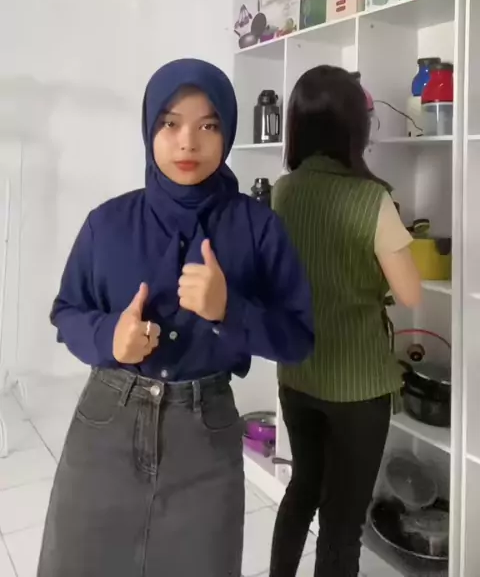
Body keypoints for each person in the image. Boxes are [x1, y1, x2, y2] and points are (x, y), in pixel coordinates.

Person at [37, 58, 314, 577]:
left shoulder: (257, 228)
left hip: (205, 437)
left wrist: (231, 311)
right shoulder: (107, 224)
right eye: (170, 123)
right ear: (150, 129)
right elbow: (66, 311)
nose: (188, 143)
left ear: (227, 132)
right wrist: (109, 338)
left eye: (208, 125)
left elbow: (298, 338)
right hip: (107, 426)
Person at [269, 65, 421, 577]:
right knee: (341, 523)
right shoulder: (372, 199)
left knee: (302, 489)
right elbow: (410, 292)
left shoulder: (283, 192)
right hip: (358, 386)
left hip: (298, 373)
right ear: (355, 127)